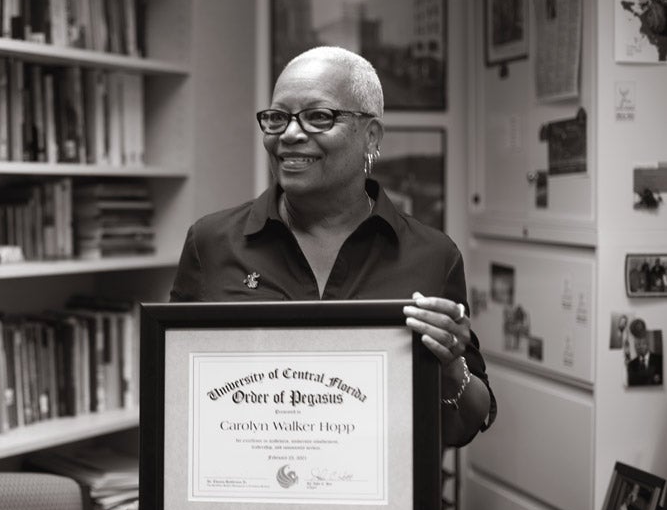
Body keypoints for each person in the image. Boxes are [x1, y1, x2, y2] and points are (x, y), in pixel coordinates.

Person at [170, 46, 495, 447]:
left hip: (379, 504)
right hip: (249, 500)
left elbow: (463, 427)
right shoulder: (211, 242)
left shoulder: (432, 256)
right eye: (277, 118)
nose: (289, 134)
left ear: (371, 136)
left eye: (318, 117)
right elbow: (177, 395)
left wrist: (449, 365)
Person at [627, 319, 663, 386]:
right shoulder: (631, 364)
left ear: (647, 345)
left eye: (642, 344)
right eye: (637, 345)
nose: (640, 347)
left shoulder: (660, 359)